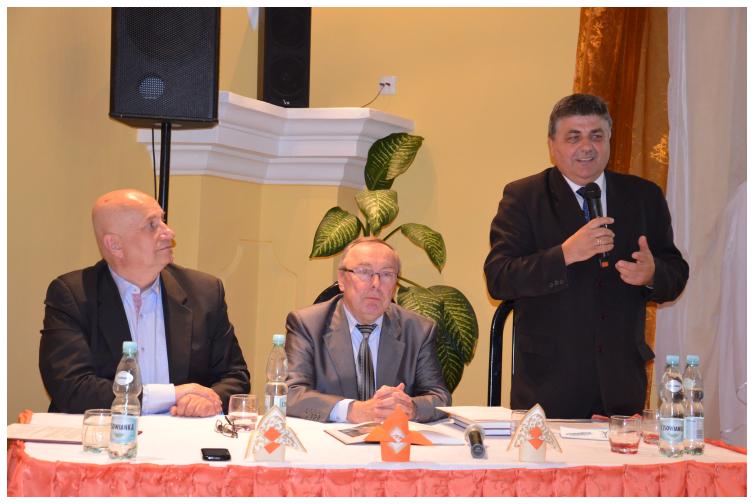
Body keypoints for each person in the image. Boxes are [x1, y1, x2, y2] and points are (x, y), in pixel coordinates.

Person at [484, 94, 689, 419]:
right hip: (548, 386)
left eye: (596, 136)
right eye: (573, 137)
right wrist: (565, 254)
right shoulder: (524, 197)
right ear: (552, 145)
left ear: (609, 140)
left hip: (621, 384)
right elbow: (499, 277)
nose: (586, 147)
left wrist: (652, 275)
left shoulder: (643, 196)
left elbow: (676, 272)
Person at [39, 189, 250, 416]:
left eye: (163, 220)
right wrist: (171, 395)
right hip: (107, 434)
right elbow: (71, 388)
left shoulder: (204, 292)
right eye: (152, 225)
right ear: (115, 245)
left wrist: (210, 400)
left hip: (182, 434)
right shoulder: (73, 296)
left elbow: (235, 377)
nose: (169, 232)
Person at [285, 237, 451, 423]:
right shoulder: (307, 324)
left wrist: (410, 408)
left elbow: (440, 398)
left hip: (392, 438)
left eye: (386, 274)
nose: (376, 284)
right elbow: (290, 394)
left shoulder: (418, 330)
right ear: (342, 279)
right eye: (364, 272)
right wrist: (351, 410)